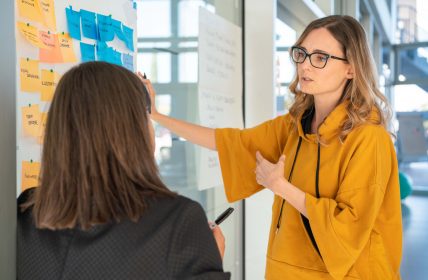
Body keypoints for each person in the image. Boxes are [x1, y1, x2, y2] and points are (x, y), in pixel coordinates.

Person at [141, 15, 402, 280]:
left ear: (351, 68)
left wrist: (282, 187)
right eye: (301, 54)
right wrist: (158, 116)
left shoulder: (369, 138)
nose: (305, 66)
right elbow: (231, 143)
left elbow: (350, 227)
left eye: (320, 58)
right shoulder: (295, 125)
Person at [17, 62, 230, 280]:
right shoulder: (179, 223)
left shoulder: (26, 213)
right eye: (147, 118)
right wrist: (209, 263)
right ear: (134, 131)